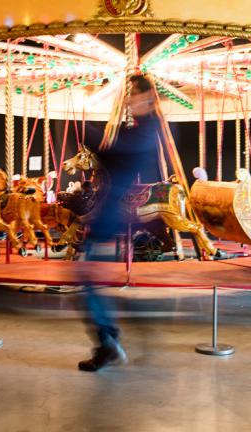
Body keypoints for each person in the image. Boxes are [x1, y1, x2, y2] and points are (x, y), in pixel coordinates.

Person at [76, 75, 162, 372]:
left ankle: (108, 340)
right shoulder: (139, 129)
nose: (127, 100)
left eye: (132, 95)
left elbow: (113, 157)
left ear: (148, 96)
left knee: (86, 275)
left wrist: (86, 132)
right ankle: (110, 338)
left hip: (113, 207)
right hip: (109, 205)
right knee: (88, 275)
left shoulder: (149, 130)